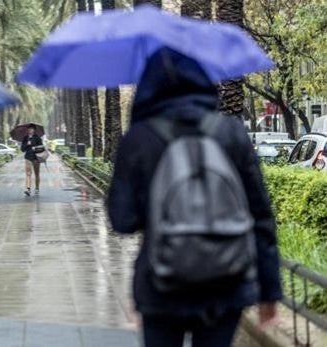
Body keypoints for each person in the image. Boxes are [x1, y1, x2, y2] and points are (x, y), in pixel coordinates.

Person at [107, 48, 282, 347]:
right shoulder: (231, 133)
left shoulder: (139, 139)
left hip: (161, 286)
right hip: (227, 285)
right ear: (202, 81)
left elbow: (122, 220)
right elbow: (261, 217)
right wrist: (269, 291)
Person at [21, 124, 44, 196]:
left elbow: (42, 148)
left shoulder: (38, 138)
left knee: (37, 174)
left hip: (36, 158)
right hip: (28, 157)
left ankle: (37, 188)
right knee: (28, 173)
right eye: (28, 129)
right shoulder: (25, 138)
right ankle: (28, 189)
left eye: (31, 129)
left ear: (34, 130)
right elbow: (22, 149)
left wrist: (35, 148)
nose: (29, 130)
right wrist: (27, 144)